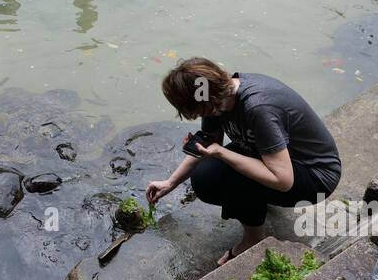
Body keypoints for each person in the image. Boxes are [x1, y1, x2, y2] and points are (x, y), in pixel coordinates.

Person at [147, 58, 342, 267]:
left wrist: (222, 154)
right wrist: (171, 182)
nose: (195, 115)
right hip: (274, 158)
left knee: (235, 176)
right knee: (205, 177)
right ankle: (256, 204)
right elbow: (211, 142)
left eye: (195, 109)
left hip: (314, 175)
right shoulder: (215, 99)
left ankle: (253, 238)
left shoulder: (258, 107)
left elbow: (283, 180)